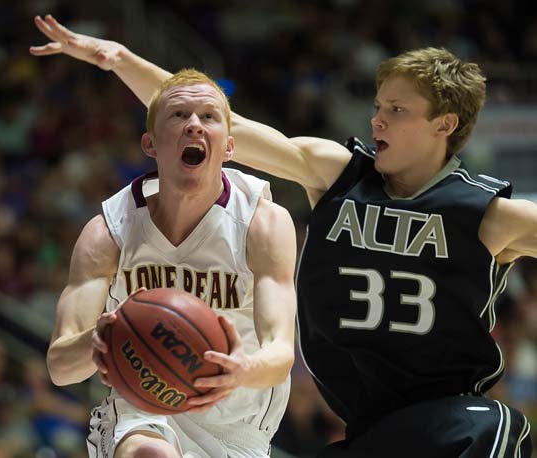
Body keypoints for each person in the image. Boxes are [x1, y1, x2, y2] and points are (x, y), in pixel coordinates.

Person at [29, 14, 537, 457]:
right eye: (378, 105)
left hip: (451, 413)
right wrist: (118, 59)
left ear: (444, 125)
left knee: (491, 428)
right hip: (368, 423)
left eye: (396, 110)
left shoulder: (485, 214)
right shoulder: (338, 174)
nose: (376, 118)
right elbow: (228, 125)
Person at [32, 34, 298, 458]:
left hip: (236, 422)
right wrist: (100, 340)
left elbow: (281, 353)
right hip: (141, 408)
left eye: (209, 116)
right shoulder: (109, 232)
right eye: (178, 114)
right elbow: (61, 367)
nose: (194, 124)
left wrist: (242, 368)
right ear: (150, 143)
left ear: (229, 147)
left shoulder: (262, 223)